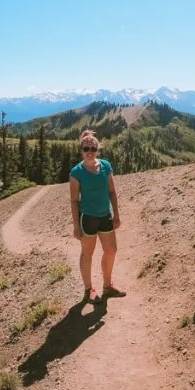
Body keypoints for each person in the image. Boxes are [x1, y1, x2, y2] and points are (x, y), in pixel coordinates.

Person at [69, 129, 125, 303]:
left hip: (105, 216)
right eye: (86, 149)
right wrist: (76, 226)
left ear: (98, 149)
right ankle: (88, 290)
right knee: (87, 254)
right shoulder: (76, 172)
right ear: (81, 149)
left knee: (111, 250)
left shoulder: (106, 166)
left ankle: (107, 286)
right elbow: (74, 201)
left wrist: (116, 214)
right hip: (88, 219)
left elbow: (112, 192)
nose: (90, 152)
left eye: (93, 148)